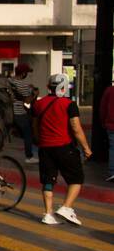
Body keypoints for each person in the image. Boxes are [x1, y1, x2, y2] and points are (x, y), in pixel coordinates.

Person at [32, 73, 92, 225]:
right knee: (76, 178)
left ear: (48, 87)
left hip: (45, 148)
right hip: (65, 147)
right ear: (64, 88)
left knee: (48, 180)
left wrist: (39, 140)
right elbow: (76, 128)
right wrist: (86, 148)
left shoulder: (39, 104)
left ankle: (48, 213)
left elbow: (34, 126)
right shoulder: (68, 104)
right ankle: (66, 207)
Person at [8, 62, 38, 164]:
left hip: (8, 112)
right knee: (28, 133)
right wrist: (34, 94)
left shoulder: (9, 81)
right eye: (26, 73)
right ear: (23, 73)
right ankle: (29, 157)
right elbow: (27, 101)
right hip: (19, 113)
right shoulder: (23, 85)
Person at [101, 81, 114, 184]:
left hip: (111, 124)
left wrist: (103, 121)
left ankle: (112, 172)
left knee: (113, 148)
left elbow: (103, 108)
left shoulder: (109, 90)